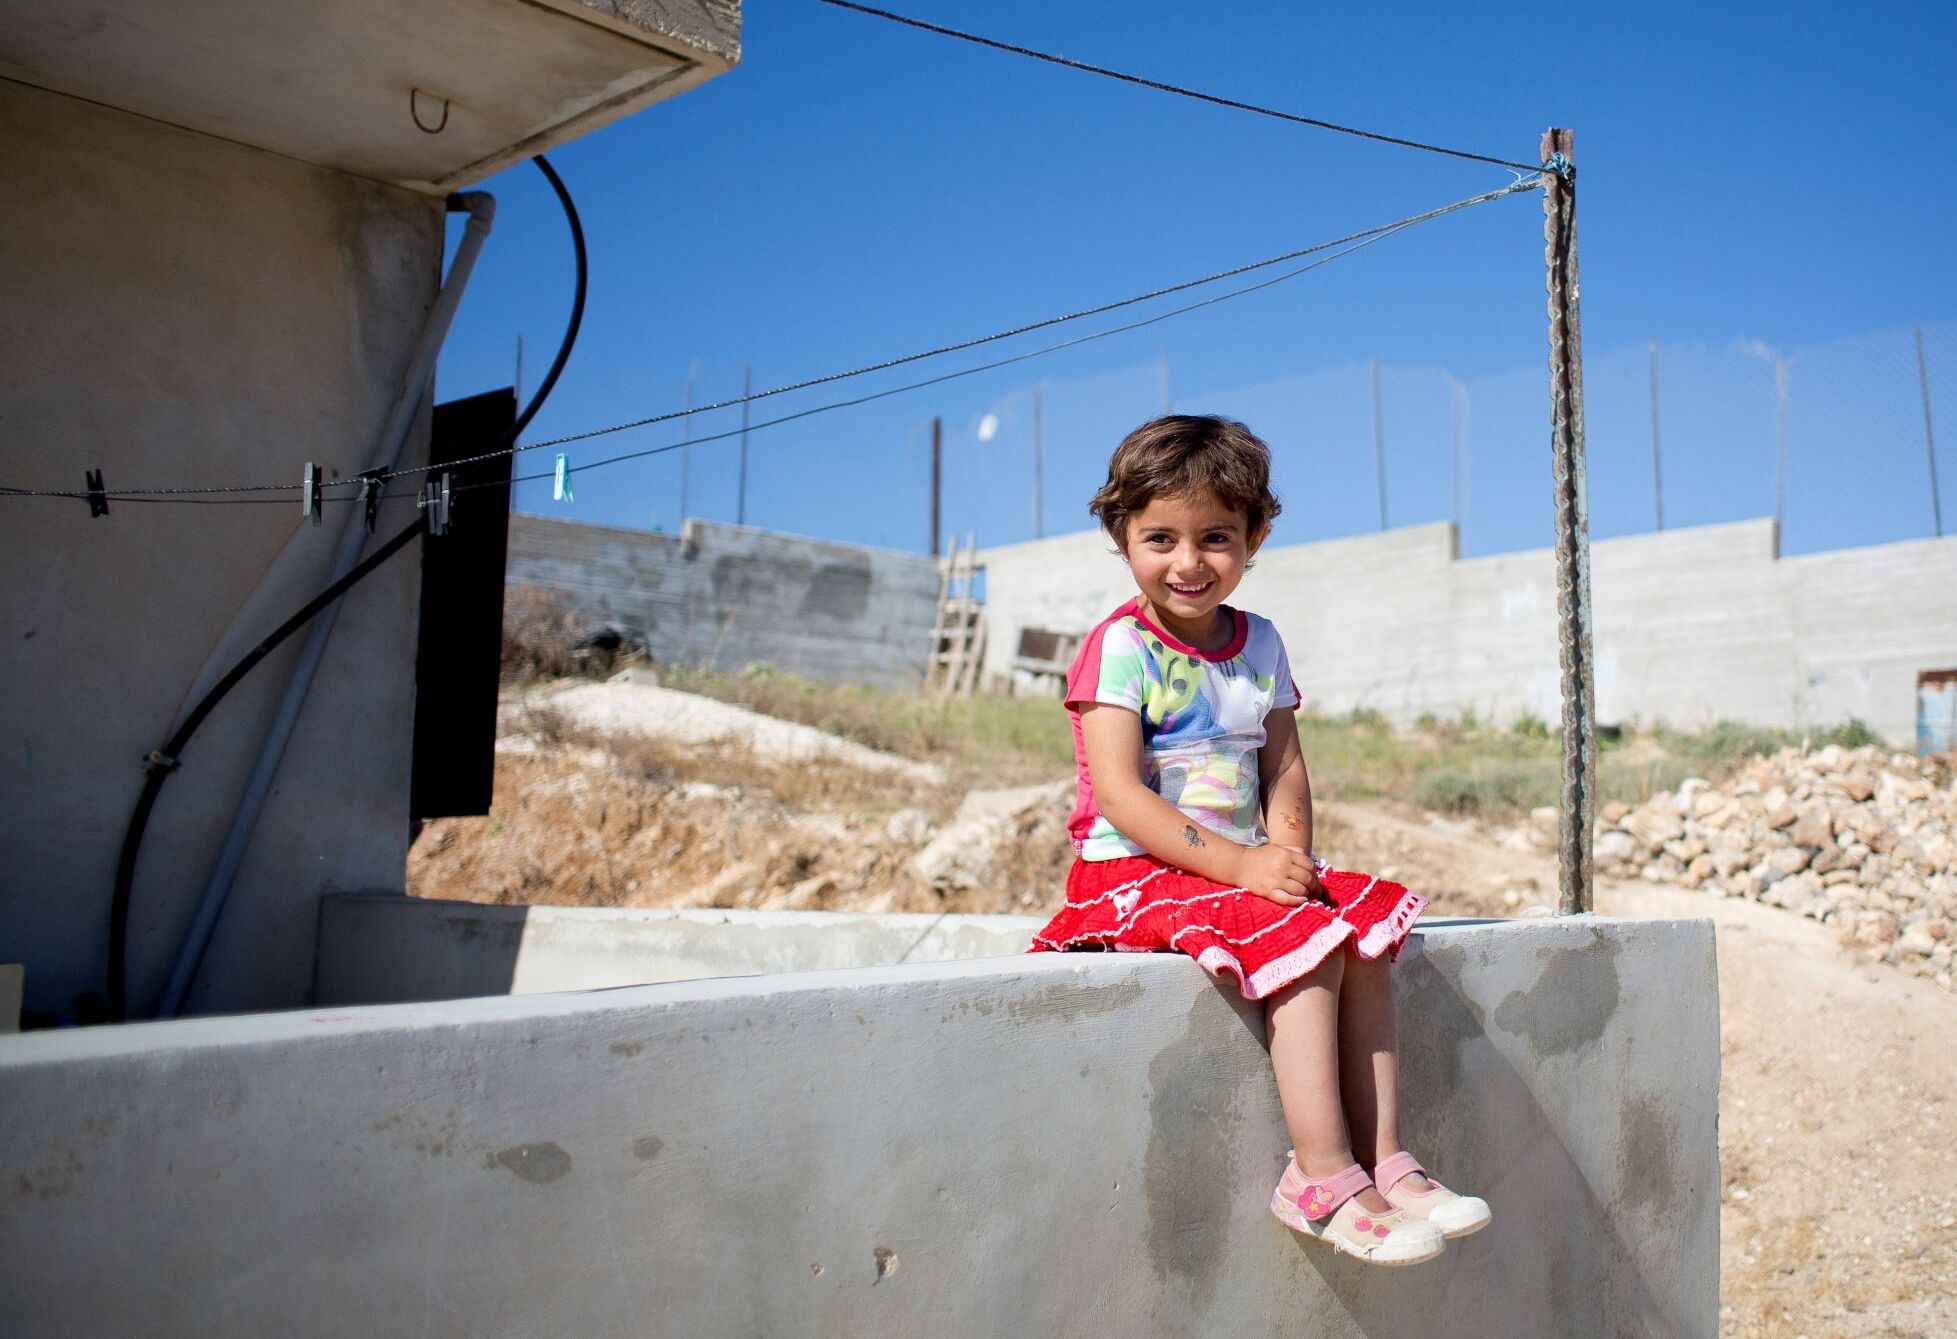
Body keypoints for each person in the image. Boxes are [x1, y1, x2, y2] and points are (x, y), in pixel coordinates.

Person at [1029, 415, 1490, 1266]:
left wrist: (1287, 858)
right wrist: (1243, 864)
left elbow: (1282, 764)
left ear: (1254, 537)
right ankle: (1316, 1174)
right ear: (1120, 537)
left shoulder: (1261, 643)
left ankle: (1385, 1159)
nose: (1188, 561)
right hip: (1129, 873)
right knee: (1300, 939)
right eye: (1159, 538)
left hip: (1227, 870)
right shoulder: (1118, 648)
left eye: (1216, 537)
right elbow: (1123, 796)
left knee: (1354, 925)